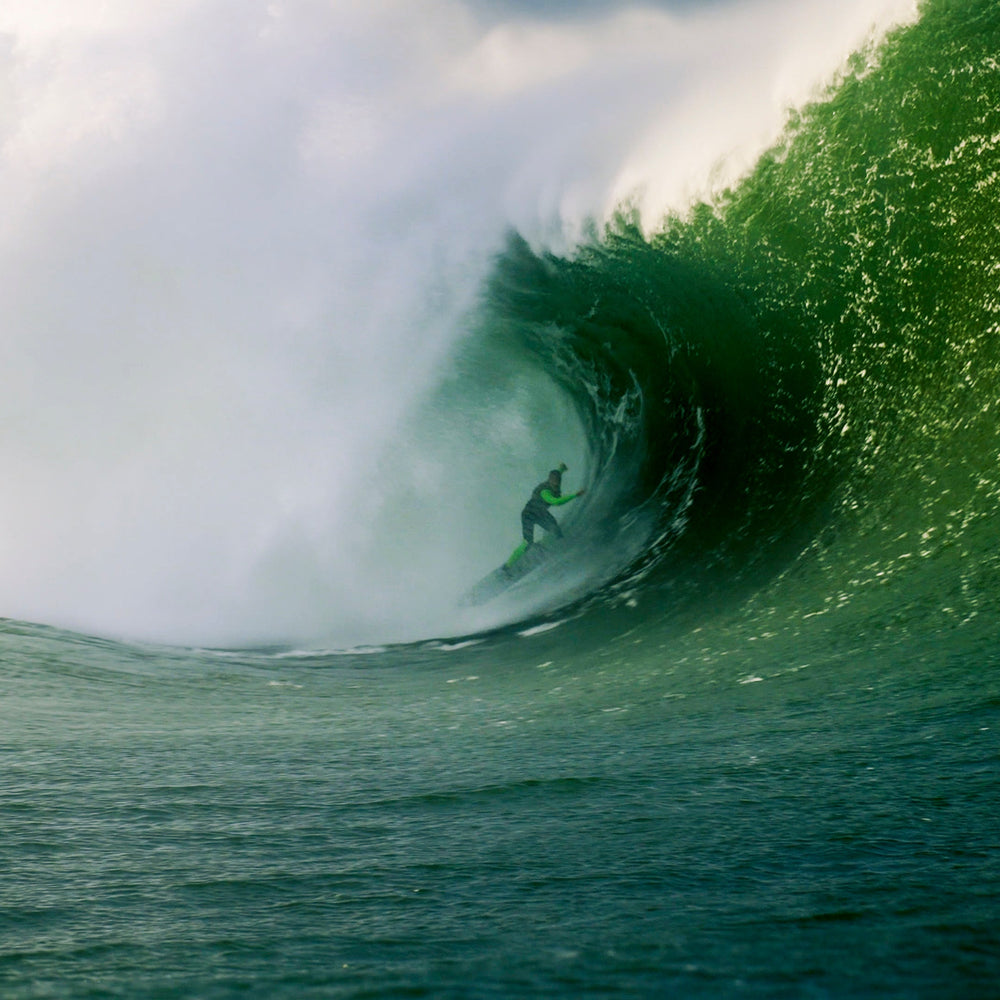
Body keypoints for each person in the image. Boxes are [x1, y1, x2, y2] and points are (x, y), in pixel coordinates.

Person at [504, 463, 585, 573]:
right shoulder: (545, 491)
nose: (556, 483)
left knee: (556, 530)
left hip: (541, 513)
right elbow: (556, 502)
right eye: (554, 481)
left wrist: (561, 469)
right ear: (550, 480)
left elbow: (557, 474)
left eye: (558, 481)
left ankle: (544, 546)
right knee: (527, 542)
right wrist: (575, 495)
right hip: (529, 514)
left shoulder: (555, 482)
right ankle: (507, 566)